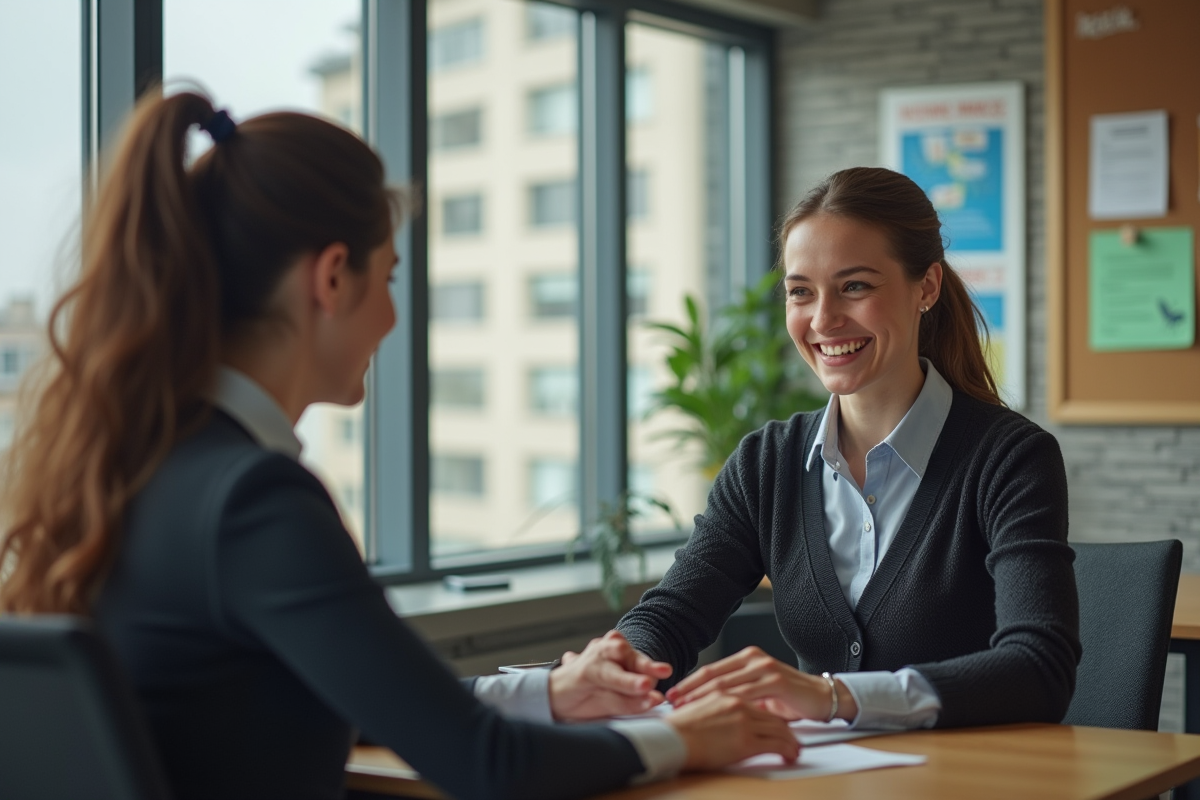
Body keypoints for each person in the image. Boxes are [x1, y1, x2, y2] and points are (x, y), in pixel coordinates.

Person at [0, 91, 799, 800]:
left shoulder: (142, 465)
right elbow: (487, 765)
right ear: (332, 278)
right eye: (389, 278)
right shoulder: (252, 500)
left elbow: (347, 695)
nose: (390, 317)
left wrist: (551, 692)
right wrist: (685, 740)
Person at [615, 166, 1081, 731]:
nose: (823, 319)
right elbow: (673, 615)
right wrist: (616, 668)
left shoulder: (1010, 459)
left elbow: (1040, 670)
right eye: (800, 292)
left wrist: (834, 697)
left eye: (855, 286)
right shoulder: (767, 464)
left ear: (926, 287)